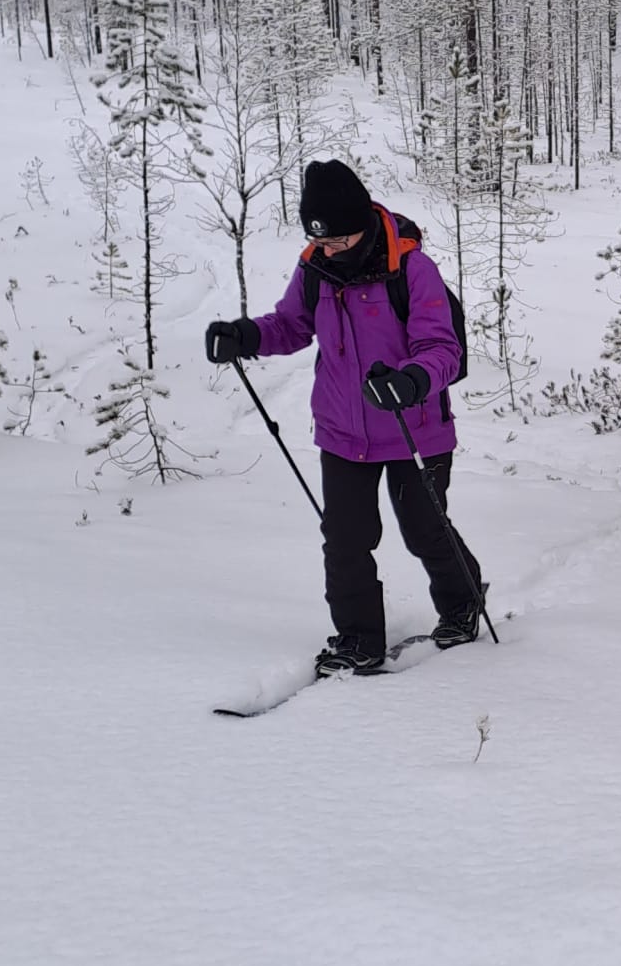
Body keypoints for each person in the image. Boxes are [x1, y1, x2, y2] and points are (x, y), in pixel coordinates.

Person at [205, 158, 484, 678]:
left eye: (337, 241)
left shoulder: (412, 270)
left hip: (412, 429)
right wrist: (244, 336)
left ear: (362, 224)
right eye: (320, 241)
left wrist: (411, 380)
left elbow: (441, 347)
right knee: (346, 538)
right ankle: (358, 637)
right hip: (342, 430)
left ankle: (463, 604)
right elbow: (290, 326)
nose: (328, 250)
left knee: (424, 531)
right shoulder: (315, 268)